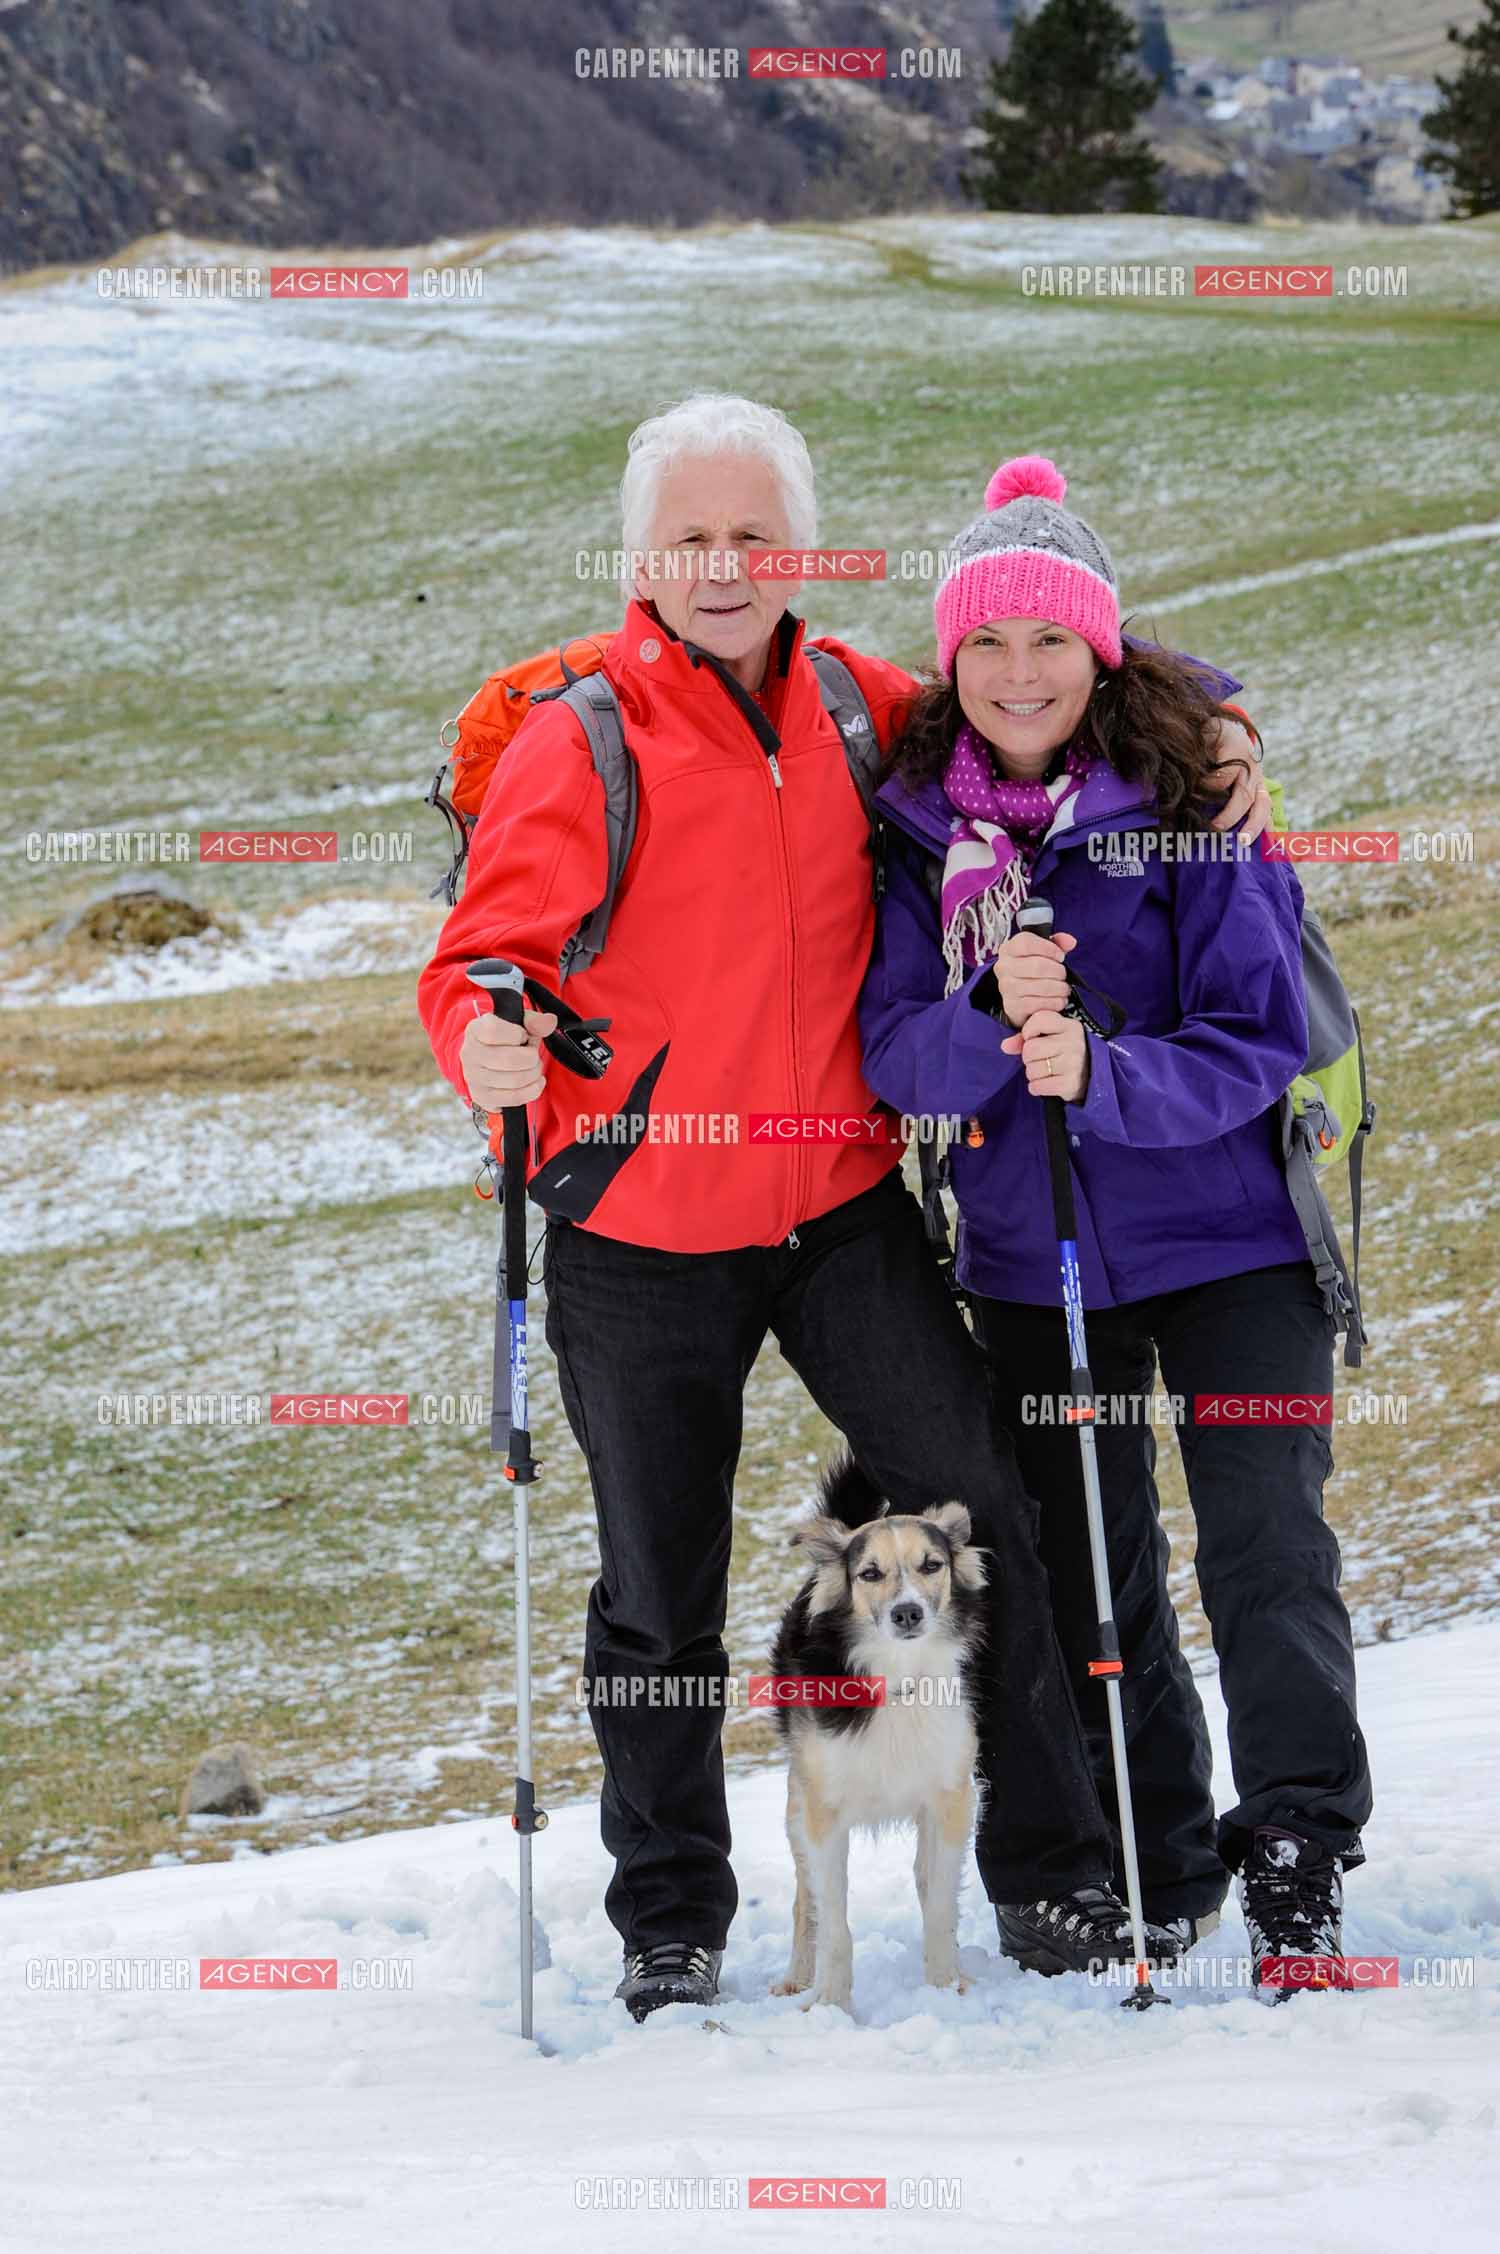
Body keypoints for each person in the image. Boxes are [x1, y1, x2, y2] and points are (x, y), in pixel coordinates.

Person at [418, 397, 1271, 2019]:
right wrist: (477, 1029)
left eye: (757, 535)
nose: (725, 566)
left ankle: (1050, 1874)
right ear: (639, 558)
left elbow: (1038, 669)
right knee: (657, 1590)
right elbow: (479, 955)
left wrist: (1221, 720)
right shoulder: (578, 736)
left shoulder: (851, 698)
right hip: (637, 1222)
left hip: (834, 1208)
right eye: (691, 539)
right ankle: (672, 1912)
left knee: (980, 1512)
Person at [859, 453, 1372, 1987]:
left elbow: (1260, 1028)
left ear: (1104, 650)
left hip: (1235, 1251)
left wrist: (1104, 1068)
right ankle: (1161, 1847)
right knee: (1096, 1565)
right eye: (989, 645)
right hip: (1036, 1258)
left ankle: (1296, 1849)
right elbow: (892, 1043)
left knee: (1267, 1546)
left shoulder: (1198, 798)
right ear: (953, 662)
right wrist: (997, 1034)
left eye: (1054, 642)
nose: (1022, 673)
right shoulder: (912, 832)